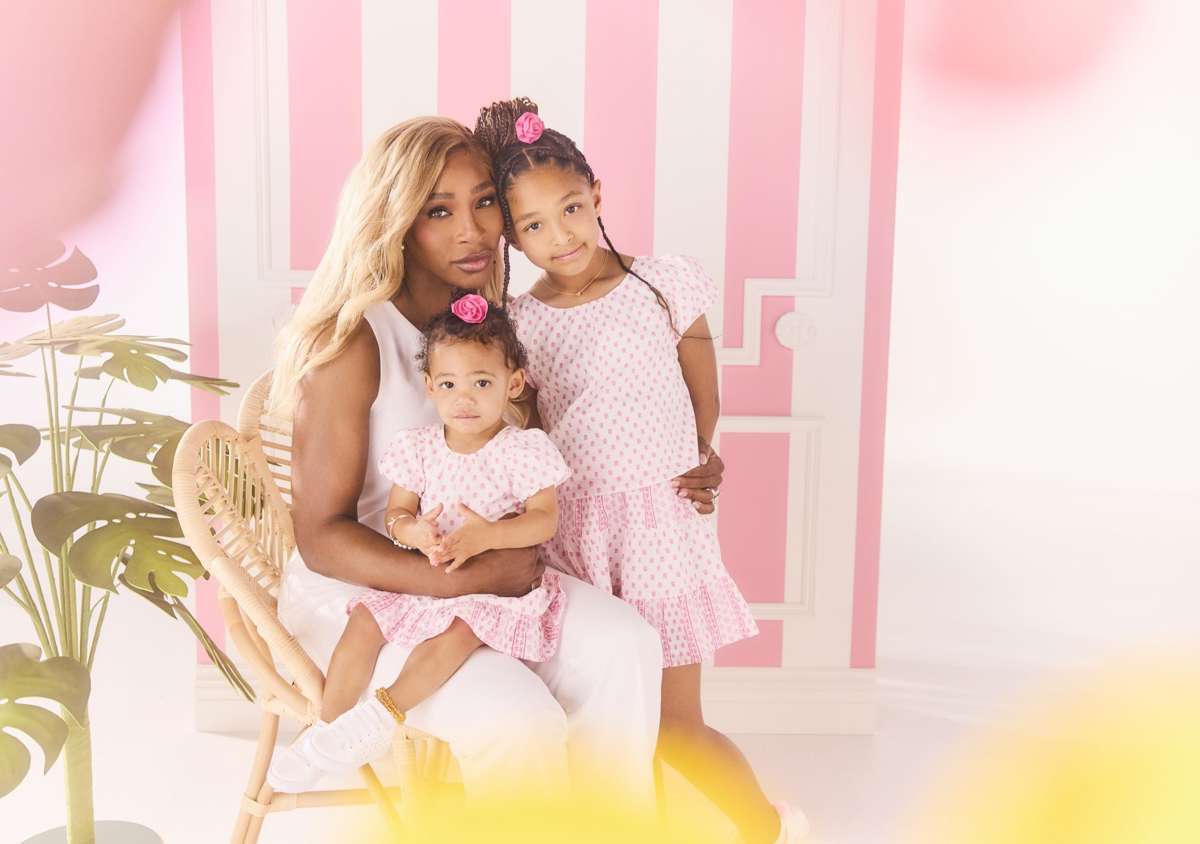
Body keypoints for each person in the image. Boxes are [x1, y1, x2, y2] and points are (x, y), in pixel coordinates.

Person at [262, 116, 723, 802]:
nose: (472, 231)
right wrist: (456, 579)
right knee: (517, 716)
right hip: (367, 592)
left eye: (484, 202)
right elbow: (321, 538)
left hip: (487, 570)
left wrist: (692, 453)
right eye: (438, 211)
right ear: (395, 221)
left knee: (628, 643)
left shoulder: (491, 328)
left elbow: (576, 431)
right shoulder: (355, 340)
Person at [474, 98, 809, 842]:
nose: (561, 235)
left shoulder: (662, 284)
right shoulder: (522, 323)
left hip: (659, 531)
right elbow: (529, 428)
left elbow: (702, 387)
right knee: (607, 720)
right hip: (574, 535)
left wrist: (703, 452)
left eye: (570, 209)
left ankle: (768, 827)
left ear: (596, 195)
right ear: (513, 238)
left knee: (672, 723)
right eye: (534, 225)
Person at [269, 292, 572, 791]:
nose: (464, 398)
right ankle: (326, 731)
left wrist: (490, 535)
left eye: (482, 383)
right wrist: (414, 532)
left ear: (513, 384)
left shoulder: (521, 450)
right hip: (424, 575)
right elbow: (397, 514)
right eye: (449, 384)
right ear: (430, 387)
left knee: (455, 637)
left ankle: (383, 714)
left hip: (484, 587)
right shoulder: (420, 448)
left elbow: (544, 521)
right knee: (365, 620)